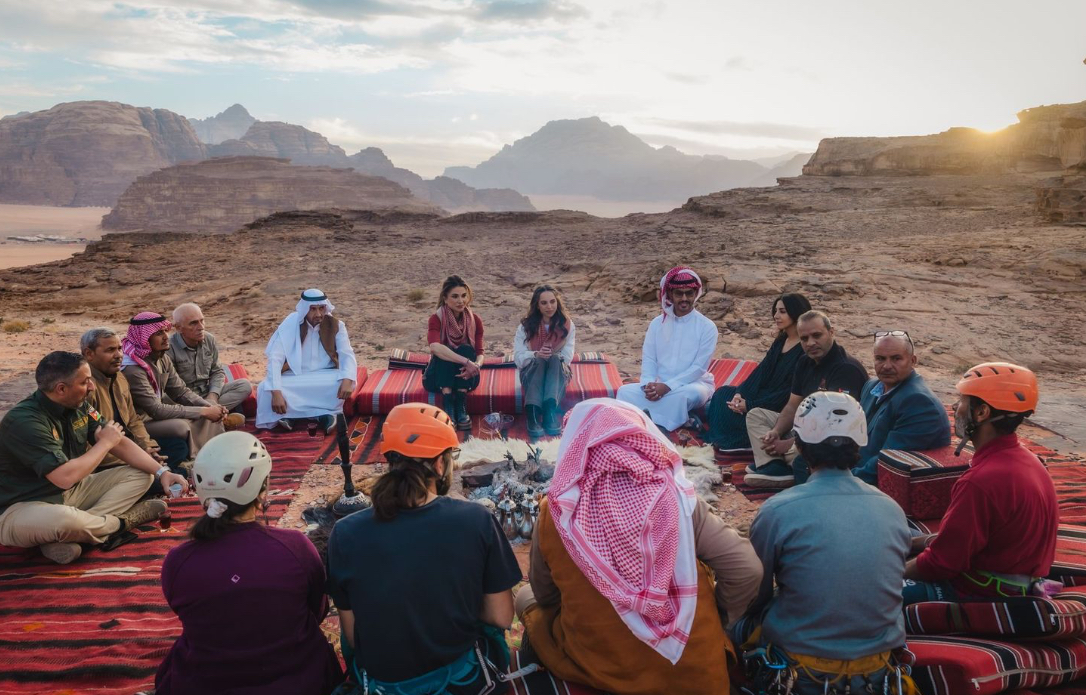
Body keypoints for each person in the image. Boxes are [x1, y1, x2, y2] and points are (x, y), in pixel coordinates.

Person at [517, 398, 763, 695]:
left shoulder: (557, 510)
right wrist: (721, 621)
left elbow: (545, 594)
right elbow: (747, 569)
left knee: (526, 597)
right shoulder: (677, 500)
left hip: (601, 667)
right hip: (695, 667)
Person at [327, 403, 521, 694]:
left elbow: (353, 636)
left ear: (390, 458)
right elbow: (501, 617)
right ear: (440, 464)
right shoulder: (477, 519)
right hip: (460, 680)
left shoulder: (344, 532)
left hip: (386, 682)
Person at [735, 391, 913, 695]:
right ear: (859, 444)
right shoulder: (892, 509)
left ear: (800, 446)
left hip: (802, 669)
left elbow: (756, 595)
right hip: (878, 670)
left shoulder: (778, 510)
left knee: (732, 620)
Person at [155, 432, 343, 695]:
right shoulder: (295, 548)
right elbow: (317, 610)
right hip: (300, 681)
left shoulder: (178, 561)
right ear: (262, 490)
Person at [0, 351, 188, 564]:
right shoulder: (25, 422)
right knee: (66, 522)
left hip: (72, 493)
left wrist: (162, 472)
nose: (91, 387)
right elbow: (64, 477)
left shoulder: (79, 405)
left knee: (143, 474)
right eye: (85, 381)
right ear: (61, 389)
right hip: (23, 507)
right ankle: (121, 522)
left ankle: (76, 538)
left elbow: (119, 442)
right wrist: (105, 443)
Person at [903, 362, 1059, 604]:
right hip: (1015, 574)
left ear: (982, 412)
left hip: (980, 589)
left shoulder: (980, 481)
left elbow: (941, 564)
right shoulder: (1030, 460)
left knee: (865, 590)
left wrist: (890, 573)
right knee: (901, 530)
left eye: (963, 400)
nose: (955, 407)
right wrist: (908, 542)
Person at [743, 310, 868, 488]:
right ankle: (775, 467)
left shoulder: (845, 369)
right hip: (802, 428)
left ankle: (782, 464)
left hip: (828, 439)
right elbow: (793, 405)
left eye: (817, 335)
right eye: (804, 338)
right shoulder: (804, 362)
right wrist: (777, 432)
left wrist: (790, 443)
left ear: (831, 332)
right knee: (756, 415)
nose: (810, 343)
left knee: (806, 451)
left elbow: (837, 425)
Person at [836, 330, 950, 485]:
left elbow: (886, 462)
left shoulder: (919, 403)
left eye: (896, 359)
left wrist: (841, 481)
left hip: (879, 488)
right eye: (880, 359)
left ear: (912, 360)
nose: (887, 366)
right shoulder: (872, 386)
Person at [616, 266, 718, 432]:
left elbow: (699, 368)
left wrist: (668, 386)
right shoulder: (657, 324)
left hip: (693, 385)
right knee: (624, 392)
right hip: (659, 384)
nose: (684, 298)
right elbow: (649, 358)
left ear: (695, 294)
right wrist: (646, 385)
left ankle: (653, 422)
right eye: (679, 293)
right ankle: (682, 419)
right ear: (670, 294)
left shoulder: (707, 327)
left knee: (682, 397)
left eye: (689, 293)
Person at [705, 293, 810, 450]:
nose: (776, 316)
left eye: (782, 311)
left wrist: (750, 405)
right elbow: (761, 371)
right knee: (722, 394)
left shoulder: (805, 348)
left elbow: (788, 393)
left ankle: (741, 442)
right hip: (763, 394)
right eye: (775, 311)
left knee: (722, 412)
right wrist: (740, 394)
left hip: (778, 405)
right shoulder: (781, 340)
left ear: (796, 313)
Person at [121, 312, 229, 464]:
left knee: (207, 410)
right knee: (181, 426)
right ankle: (198, 459)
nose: (166, 337)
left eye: (166, 331)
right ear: (144, 338)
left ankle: (214, 453)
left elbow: (180, 391)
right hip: (141, 422)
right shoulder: (133, 369)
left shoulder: (162, 358)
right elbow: (156, 410)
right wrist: (203, 412)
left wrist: (208, 406)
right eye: (159, 333)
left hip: (159, 414)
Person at [256, 289, 358, 433]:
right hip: (294, 375)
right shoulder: (290, 324)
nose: (318, 314)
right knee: (265, 388)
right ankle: (299, 415)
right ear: (304, 309)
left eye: (321, 308)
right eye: (313, 309)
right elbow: (275, 358)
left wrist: (347, 379)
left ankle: (318, 415)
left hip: (326, 375)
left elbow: (346, 353)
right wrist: (276, 393)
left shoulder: (336, 325)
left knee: (343, 382)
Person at [81, 327, 176, 469]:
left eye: (120, 349)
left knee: (177, 446)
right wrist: (137, 459)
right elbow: (90, 440)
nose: (119, 355)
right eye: (110, 350)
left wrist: (147, 447)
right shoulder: (84, 388)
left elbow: (133, 420)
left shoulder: (119, 377)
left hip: (128, 445)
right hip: (104, 456)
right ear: (89, 354)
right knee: (153, 474)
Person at [513, 285, 576, 439]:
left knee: (555, 358)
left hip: (558, 371)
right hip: (532, 372)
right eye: (544, 303)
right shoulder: (525, 327)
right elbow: (518, 358)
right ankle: (533, 413)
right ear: (537, 305)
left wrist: (551, 355)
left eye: (552, 302)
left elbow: (567, 357)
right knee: (540, 360)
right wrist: (536, 354)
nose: (549, 306)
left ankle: (549, 411)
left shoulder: (567, 325)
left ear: (557, 302)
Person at [423, 276, 485, 431]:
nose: (461, 301)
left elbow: (480, 353)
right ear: (445, 298)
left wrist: (476, 365)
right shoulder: (436, 319)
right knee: (444, 351)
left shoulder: (475, 320)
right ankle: (448, 402)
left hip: (468, 376)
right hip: (437, 378)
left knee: (466, 349)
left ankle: (460, 404)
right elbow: (434, 347)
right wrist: (466, 362)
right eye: (455, 296)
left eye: (464, 296)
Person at [168, 302, 253, 414]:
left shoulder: (209, 339)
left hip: (207, 392)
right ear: (179, 328)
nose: (201, 327)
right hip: (184, 398)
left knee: (244, 385)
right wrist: (204, 404)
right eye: (193, 323)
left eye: (202, 320)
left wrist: (212, 397)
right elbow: (175, 389)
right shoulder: (169, 347)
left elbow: (217, 371)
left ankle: (208, 415)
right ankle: (213, 415)